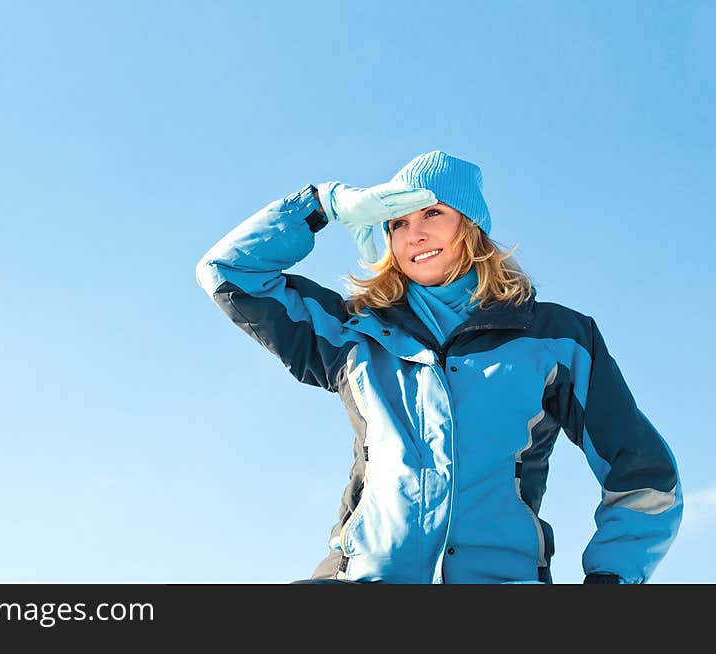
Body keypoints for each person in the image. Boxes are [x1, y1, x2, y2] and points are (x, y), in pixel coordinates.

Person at [194, 150, 683, 584]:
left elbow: (643, 472)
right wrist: (322, 204)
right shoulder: (352, 333)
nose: (416, 233)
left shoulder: (556, 338)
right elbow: (228, 272)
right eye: (397, 222)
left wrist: (611, 579)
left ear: (470, 227)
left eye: (432, 212)